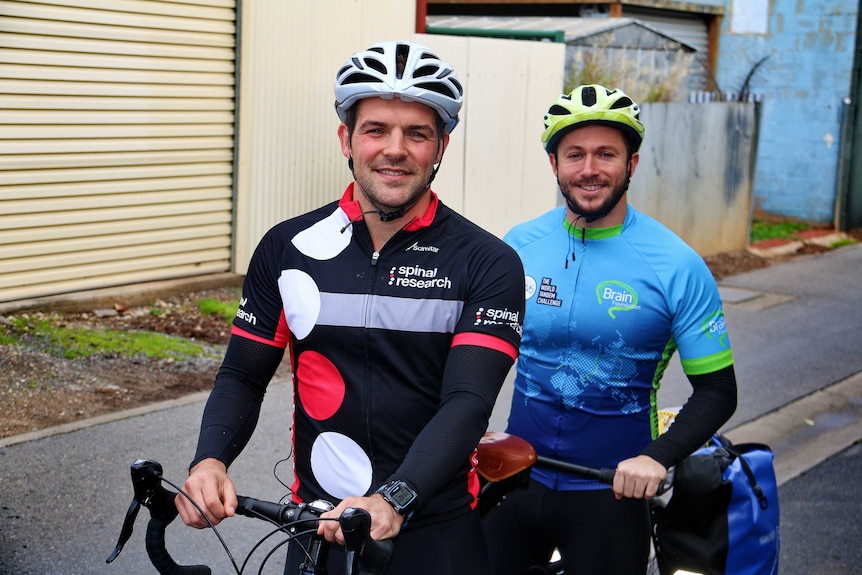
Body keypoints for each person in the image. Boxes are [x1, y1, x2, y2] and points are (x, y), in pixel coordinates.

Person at [175, 40, 525, 575]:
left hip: (432, 528)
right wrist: (209, 460)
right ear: (347, 138)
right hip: (315, 527)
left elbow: (467, 402)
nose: (395, 149)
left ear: (441, 147)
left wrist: (394, 499)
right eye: (376, 129)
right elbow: (243, 376)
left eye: (417, 133)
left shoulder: (487, 261)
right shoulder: (286, 248)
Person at [481, 84, 738, 574]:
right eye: (574, 154)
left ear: (632, 165)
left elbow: (718, 391)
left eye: (606, 154)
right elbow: (482, 351)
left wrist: (657, 458)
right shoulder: (518, 245)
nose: (589, 169)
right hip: (514, 478)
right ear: (554, 164)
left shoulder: (676, 265)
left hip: (611, 492)